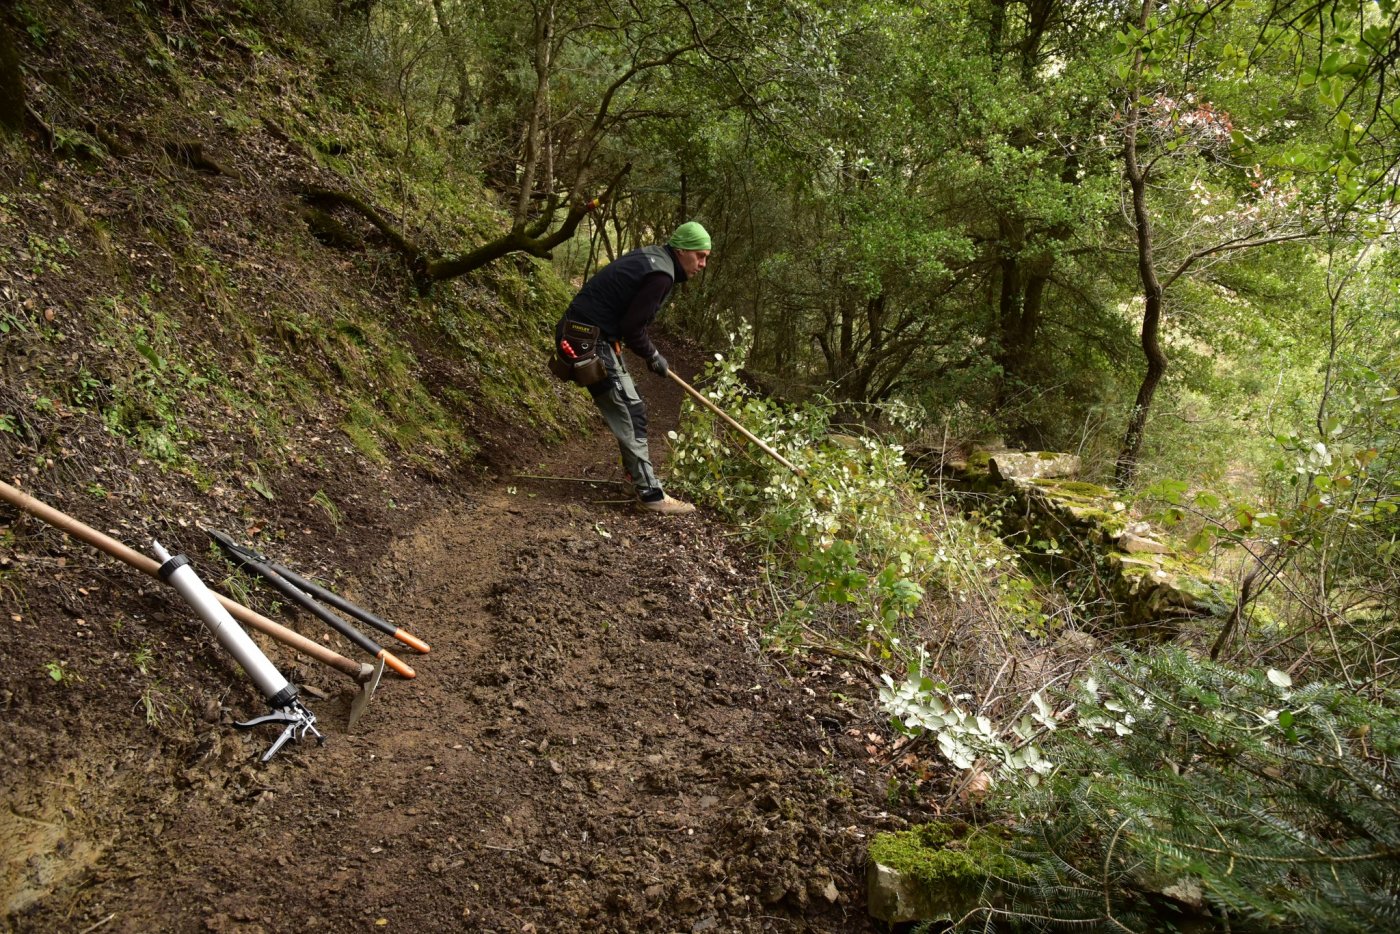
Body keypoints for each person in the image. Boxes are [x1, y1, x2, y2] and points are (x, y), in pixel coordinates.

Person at [557, 221, 711, 514]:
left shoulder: (655, 258)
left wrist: (648, 353)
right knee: (629, 410)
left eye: (706, 258)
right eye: (699, 256)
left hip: (589, 335)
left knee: (633, 408)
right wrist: (653, 356)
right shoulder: (661, 275)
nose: (702, 264)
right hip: (587, 339)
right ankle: (650, 494)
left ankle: (635, 480)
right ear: (681, 251)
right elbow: (632, 327)